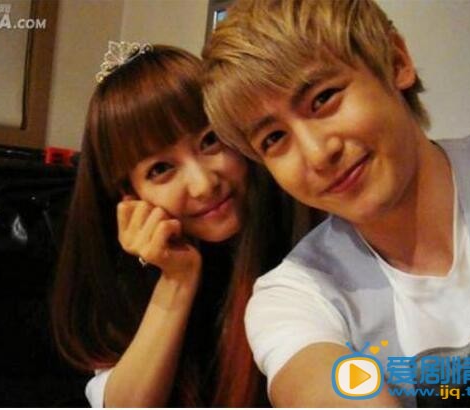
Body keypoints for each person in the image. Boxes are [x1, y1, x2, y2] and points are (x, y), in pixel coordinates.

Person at [202, 0, 470, 407]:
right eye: (274, 138)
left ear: (396, 61)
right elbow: (319, 382)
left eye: (323, 98)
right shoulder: (295, 295)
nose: (317, 154)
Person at [51, 43, 295, 407]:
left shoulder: (300, 231)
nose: (203, 184)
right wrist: (177, 280)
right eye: (161, 169)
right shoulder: (125, 278)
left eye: (210, 140)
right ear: (130, 196)